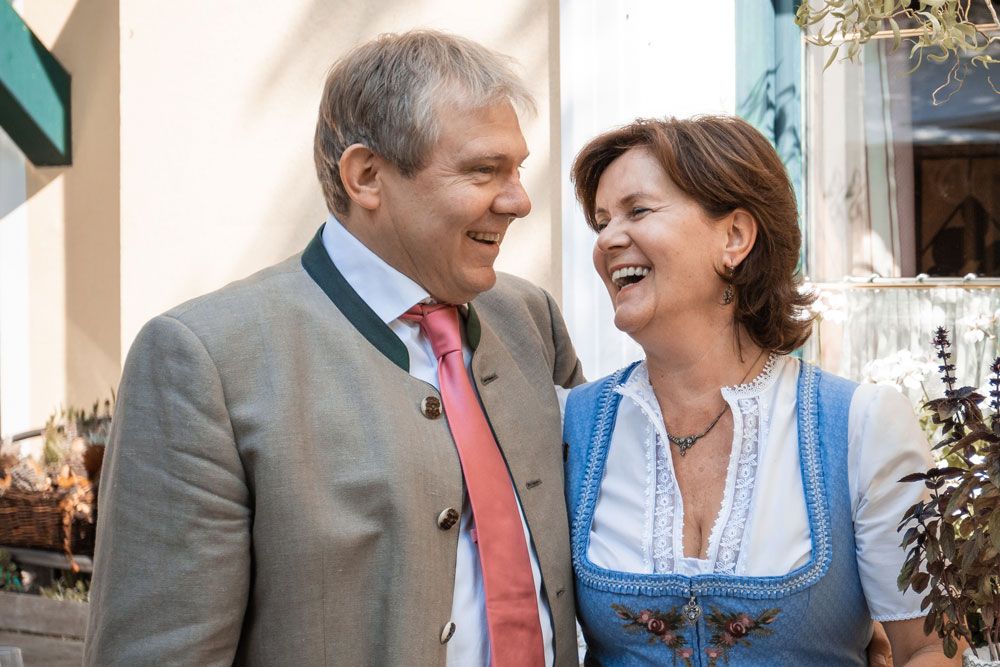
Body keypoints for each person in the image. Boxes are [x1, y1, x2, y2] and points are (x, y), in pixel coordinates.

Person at [84, 31, 583, 666]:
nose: (518, 201)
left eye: (516, 169)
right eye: (484, 170)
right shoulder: (205, 359)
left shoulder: (529, 319)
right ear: (367, 176)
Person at [562, 116, 956, 665]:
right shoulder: (571, 426)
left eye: (639, 211)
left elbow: (930, 648)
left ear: (735, 237)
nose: (607, 239)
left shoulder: (861, 426)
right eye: (602, 222)